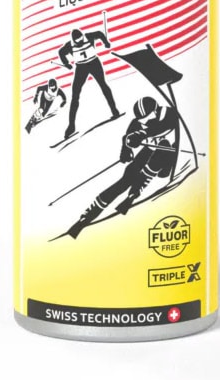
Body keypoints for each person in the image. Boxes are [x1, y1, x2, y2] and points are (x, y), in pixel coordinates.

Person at [67, 96, 179, 238]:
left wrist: (142, 135)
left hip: (167, 153)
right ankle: (88, 215)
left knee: (161, 153)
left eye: (145, 120)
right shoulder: (137, 123)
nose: (143, 123)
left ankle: (137, 188)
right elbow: (127, 138)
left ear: (154, 111)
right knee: (129, 175)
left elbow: (161, 128)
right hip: (150, 149)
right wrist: (126, 150)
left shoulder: (167, 113)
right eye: (141, 121)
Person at [59, 27, 119, 139]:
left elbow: (100, 33)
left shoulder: (89, 36)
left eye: (81, 39)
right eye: (78, 41)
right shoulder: (69, 45)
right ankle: (71, 126)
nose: (81, 42)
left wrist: (106, 42)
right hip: (81, 67)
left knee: (103, 85)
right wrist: (66, 64)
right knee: (75, 95)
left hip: (94, 63)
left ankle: (114, 110)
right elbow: (61, 52)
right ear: (74, 40)